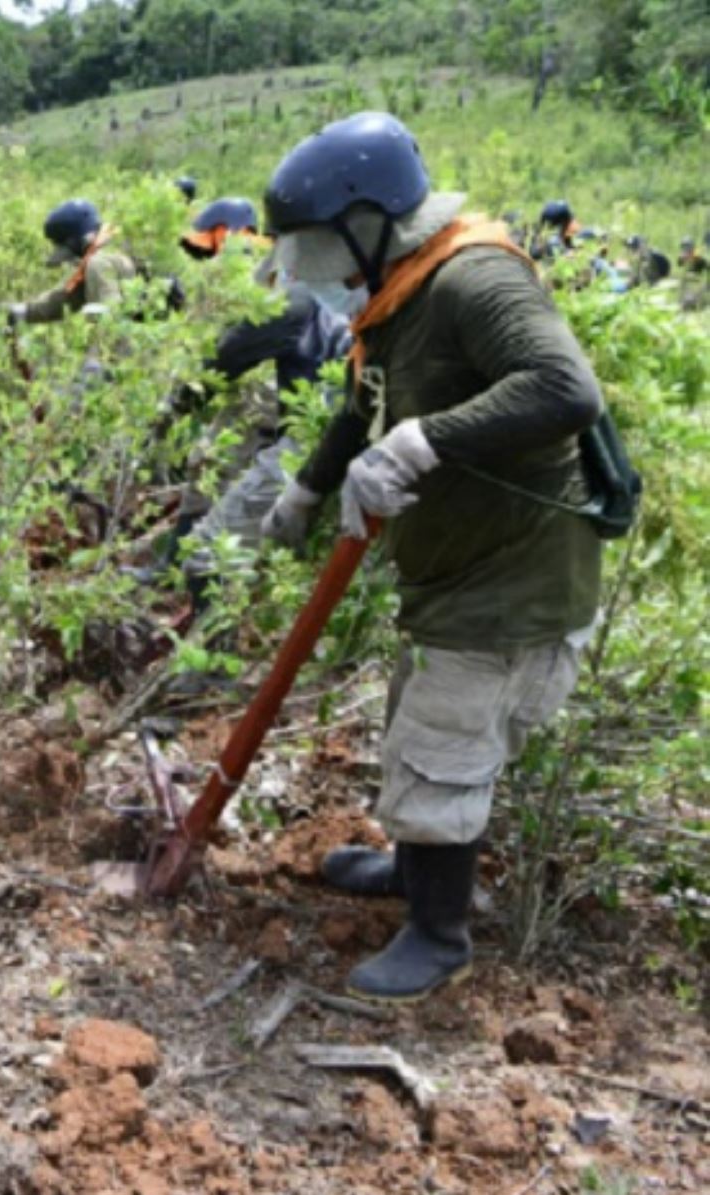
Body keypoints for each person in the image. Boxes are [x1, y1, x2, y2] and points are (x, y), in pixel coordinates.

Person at [256, 112, 605, 1004]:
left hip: (512, 585)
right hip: (453, 576)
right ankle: (414, 874)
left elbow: (564, 388)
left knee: (446, 749)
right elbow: (358, 401)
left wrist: (422, 442)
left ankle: (439, 934)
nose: (312, 274)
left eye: (316, 250)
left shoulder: (472, 279)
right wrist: (304, 490)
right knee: (417, 727)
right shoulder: (399, 297)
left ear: (366, 224)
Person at [178, 197, 351, 573]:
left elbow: (234, 348)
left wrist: (182, 399)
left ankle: (196, 591)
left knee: (211, 554)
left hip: (305, 421)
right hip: (319, 417)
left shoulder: (298, 292)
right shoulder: (354, 277)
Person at [5, 199, 137, 327]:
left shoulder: (99, 262)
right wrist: (24, 311)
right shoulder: (93, 258)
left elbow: (114, 319)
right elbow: (65, 298)